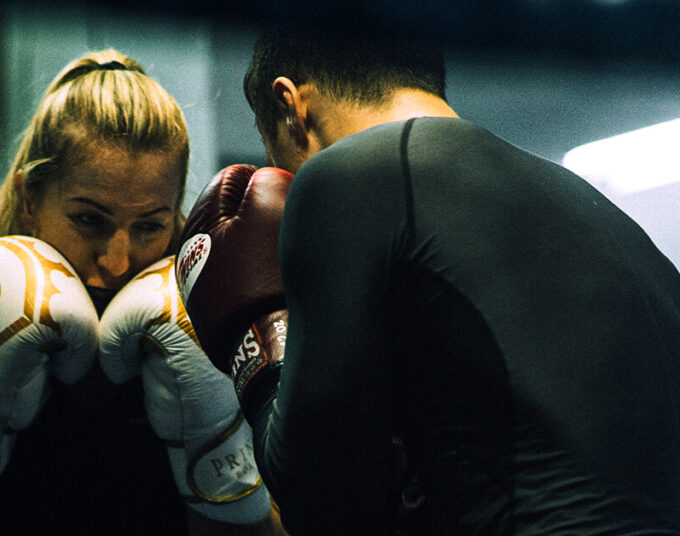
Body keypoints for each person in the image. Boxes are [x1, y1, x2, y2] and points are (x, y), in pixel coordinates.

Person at [176, 29, 680, 535]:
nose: (282, 177)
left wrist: (258, 350)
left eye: (275, 154)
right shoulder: (606, 217)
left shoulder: (343, 177)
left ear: (290, 106)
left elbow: (321, 494)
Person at [0, 49, 286, 535]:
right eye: (89, 220)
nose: (117, 261)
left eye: (149, 226)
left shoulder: (205, 298)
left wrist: (210, 443)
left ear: (175, 213)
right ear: (30, 198)